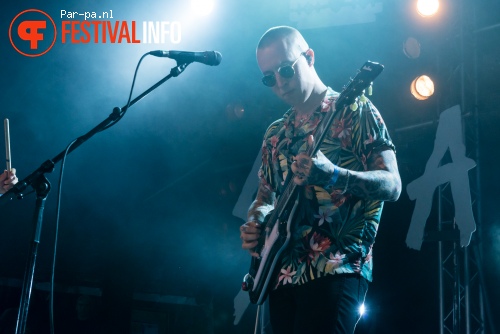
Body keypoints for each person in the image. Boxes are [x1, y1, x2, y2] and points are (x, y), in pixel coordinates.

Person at [239, 26, 402, 334]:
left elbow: (392, 185)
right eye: (268, 77)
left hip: (336, 266)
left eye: (286, 69)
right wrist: (255, 221)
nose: (279, 82)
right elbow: (264, 196)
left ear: (309, 57)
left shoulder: (354, 109)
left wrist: (333, 174)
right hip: (281, 271)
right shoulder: (276, 134)